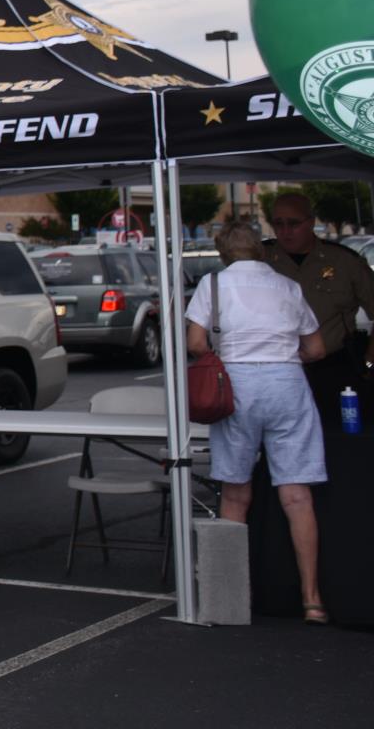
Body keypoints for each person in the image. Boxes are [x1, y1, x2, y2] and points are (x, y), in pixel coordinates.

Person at [186, 221, 330, 623]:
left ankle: (236, 598)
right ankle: (312, 598)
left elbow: (195, 344)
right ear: (262, 250)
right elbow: (316, 347)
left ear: (222, 253)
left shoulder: (212, 286)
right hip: (288, 383)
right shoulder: (287, 286)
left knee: (235, 493)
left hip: (237, 384)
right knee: (298, 495)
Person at [261, 190, 374, 406]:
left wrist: (369, 362)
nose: (285, 231)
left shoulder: (344, 262)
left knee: (337, 436)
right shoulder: (260, 261)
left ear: (311, 222)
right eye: (278, 223)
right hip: (274, 370)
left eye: (293, 223)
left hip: (334, 369)